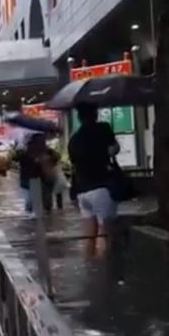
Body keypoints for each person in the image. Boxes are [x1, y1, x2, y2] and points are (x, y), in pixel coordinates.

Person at [69, 103, 120, 249]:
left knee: (89, 237)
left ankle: (90, 264)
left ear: (79, 117)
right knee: (105, 234)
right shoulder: (103, 128)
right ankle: (105, 268)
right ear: (95, 115)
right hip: (102, 188)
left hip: (82, 192)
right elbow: (114, 149)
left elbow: (74, 164)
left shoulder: (74, 140)